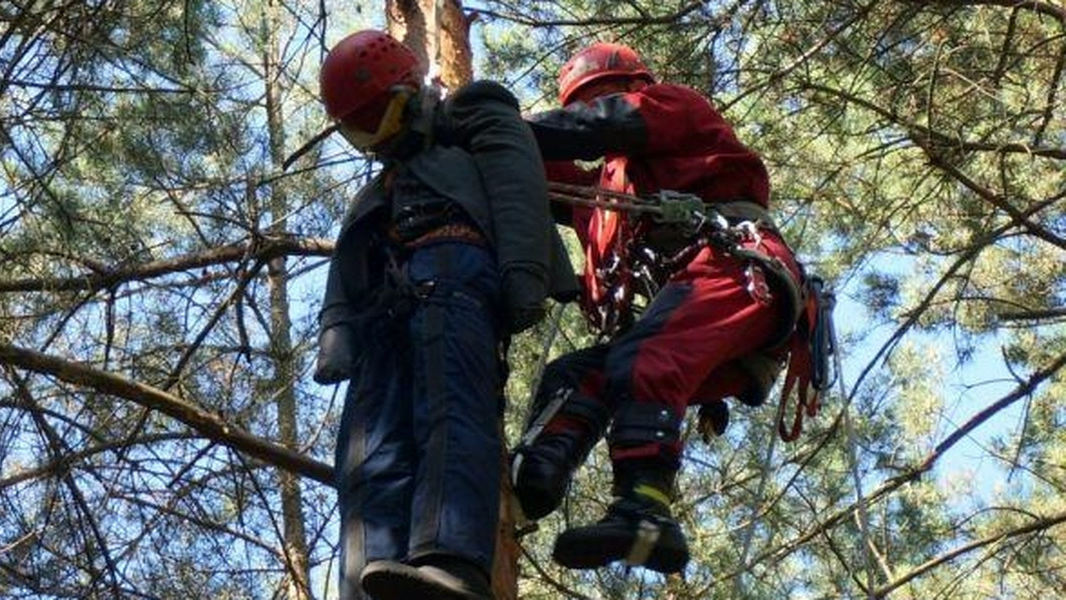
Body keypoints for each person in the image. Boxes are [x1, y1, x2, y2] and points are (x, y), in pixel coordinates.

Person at [509, 41, 812, 575]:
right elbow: (551, 176)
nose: (590, 111)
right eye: (583, 101)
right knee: (578, 376)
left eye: (600, 98)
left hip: (732, 272)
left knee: (643, 359)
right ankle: (530, 482)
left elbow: (605, 126)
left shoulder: (672, 108)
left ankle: (645, 511)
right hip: (695, 314)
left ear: (633, 88)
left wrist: (510, 124)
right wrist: (491, 134)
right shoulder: (605, 193)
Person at [312, 30, 578, 600]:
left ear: (408, 92)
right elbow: (348, 255)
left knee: (451, 410)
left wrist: (523, 271)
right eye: (364, 131)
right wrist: (336, 329)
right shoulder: (384, 183)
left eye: (381, 120)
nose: (376, 141)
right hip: (383, 309)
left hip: (453, 269)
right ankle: (367, 583)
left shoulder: (471, 112)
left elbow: (515, 177)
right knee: (367, 455)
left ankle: (451, 560)